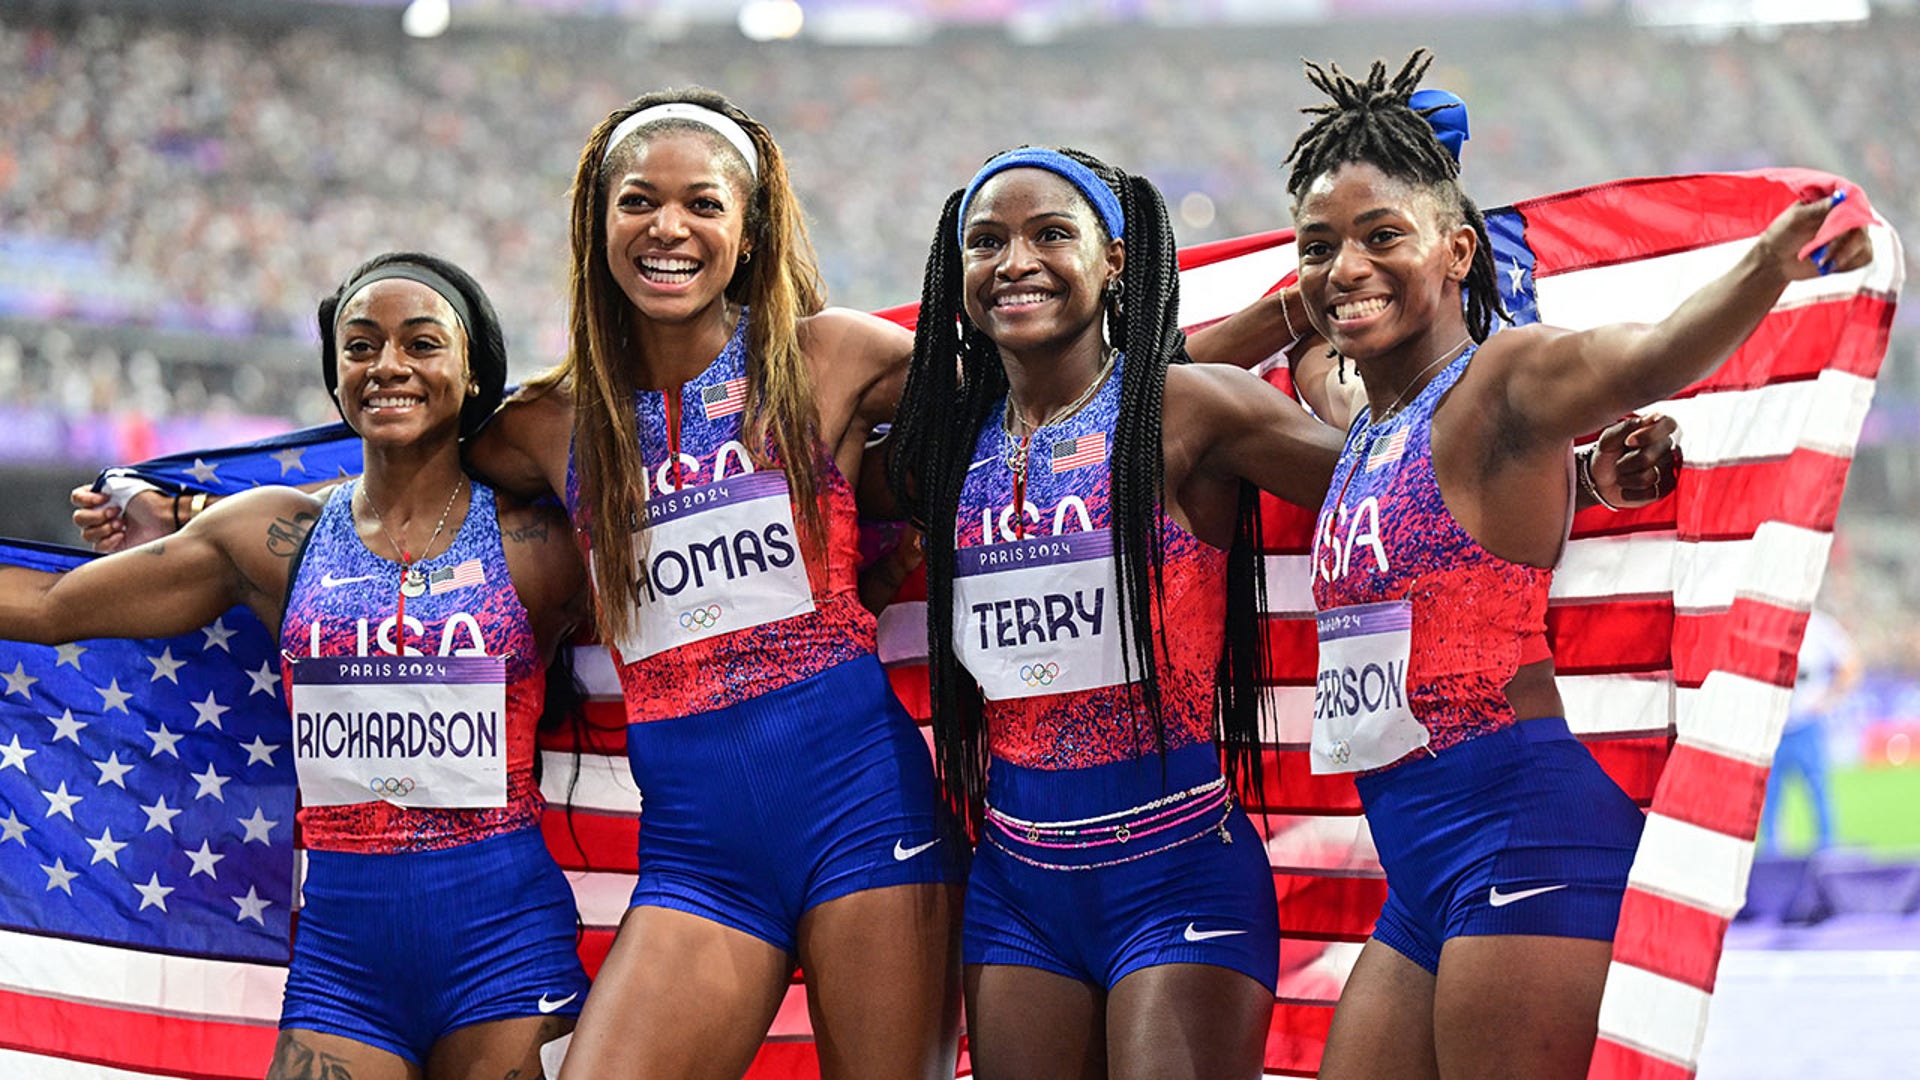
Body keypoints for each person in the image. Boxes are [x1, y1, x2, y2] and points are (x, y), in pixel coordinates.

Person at [1284, 51, 1872, 1079]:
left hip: (1525, 839)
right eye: (1319, 246)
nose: (1347, 267)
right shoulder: (1366, 419)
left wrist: (1768, 265)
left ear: (1458, 251)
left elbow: (1646, 357)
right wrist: (1589, 484)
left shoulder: (1505, 378)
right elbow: (1318, 370)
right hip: (1421, 868)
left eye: (1385, 238)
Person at [3, 252, 592, 1078]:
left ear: (471, 372)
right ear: (336, 374)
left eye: (421, 344)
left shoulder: (543, 547)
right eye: (361, 346)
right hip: (344, 968)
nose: (388, 365)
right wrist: (178, 514)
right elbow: (52, 608)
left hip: (507, 951)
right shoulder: (271, 540)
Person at [470, 89, 959, 1080]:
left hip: (867, 820)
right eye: (639, 201)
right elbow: (397, 480)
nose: (669, 227)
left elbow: (1055, 389)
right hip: (700, 858)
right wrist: (190, 511)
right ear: (597, 224)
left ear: (747, 232)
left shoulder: (832, 357)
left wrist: (1271, 325)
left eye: (703, 204)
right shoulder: (545, 424)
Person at [887, 143, 1352, 1079]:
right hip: (1016, 891)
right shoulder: (941, 444)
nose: (1014, 261)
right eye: (986, 242)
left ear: (1115, 261)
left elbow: (1397, 483)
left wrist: (1589, 477)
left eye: (1050, 234)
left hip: (1179, 870)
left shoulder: (1190, 410)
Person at [1760, 607, 1860, 853]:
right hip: (1773, 729)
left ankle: (1828, 852)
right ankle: (1773, 859)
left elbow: (1850, 664)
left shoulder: (1819, 625)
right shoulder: (1766, 622)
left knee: (1818, 794)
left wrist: (1829, 700)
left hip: (1806, 725)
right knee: (1768, 800)